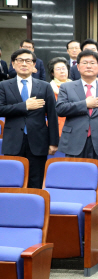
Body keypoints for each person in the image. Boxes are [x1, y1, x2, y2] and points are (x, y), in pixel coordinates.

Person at [57, 50, 98, 240]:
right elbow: (60, 109)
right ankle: (75, 227)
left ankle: (96, 227)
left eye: (92, 63)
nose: (88, 66)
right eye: (84, 63)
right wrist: (85, 103)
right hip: (75, 143)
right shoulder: (68, 88)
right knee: (74, 184)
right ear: (78, 67)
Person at [0, 49, 59, 189]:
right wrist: (24, 106)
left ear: (34, 66)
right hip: (13, 140)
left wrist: (54, 142)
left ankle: (35, 209)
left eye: (28, 61)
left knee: (36, 180)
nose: (24, 64)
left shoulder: (44, 86)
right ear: (13, 64)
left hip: (38, 140)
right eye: (20, 60)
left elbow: (52, 115)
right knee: (12, 181)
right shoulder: (3, 86)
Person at [48, 57, 72, 137]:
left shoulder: (76, 86)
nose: (62, 71)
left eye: (64, 68)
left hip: (75, 127)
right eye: (58, 69)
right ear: (52, 73)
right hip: (56, 128)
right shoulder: (48, 88)